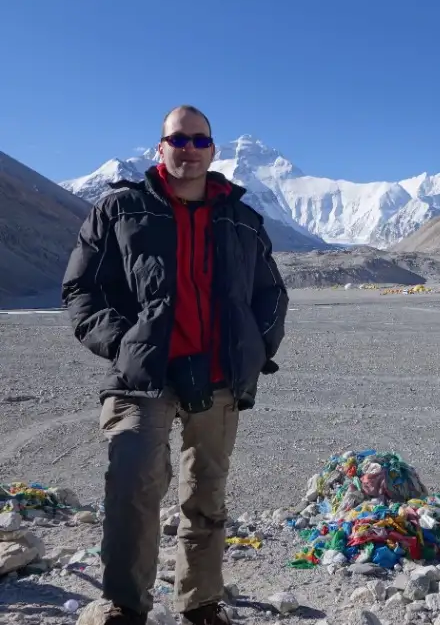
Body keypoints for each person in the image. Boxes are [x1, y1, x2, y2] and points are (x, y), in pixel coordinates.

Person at [61, 105, 289, 625]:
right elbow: (81, 288)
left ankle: (201, 603)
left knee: (206, 495)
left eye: (198, 141)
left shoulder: (242, 219)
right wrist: (125, 344)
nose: (188, 150)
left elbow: (270, 292)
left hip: (219, 378)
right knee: (133, 484)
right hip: (143, 376)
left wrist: (258, 348)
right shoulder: (119, 209)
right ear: (159, 147)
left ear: (212, 150)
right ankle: (124, 604)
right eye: (177, 140)